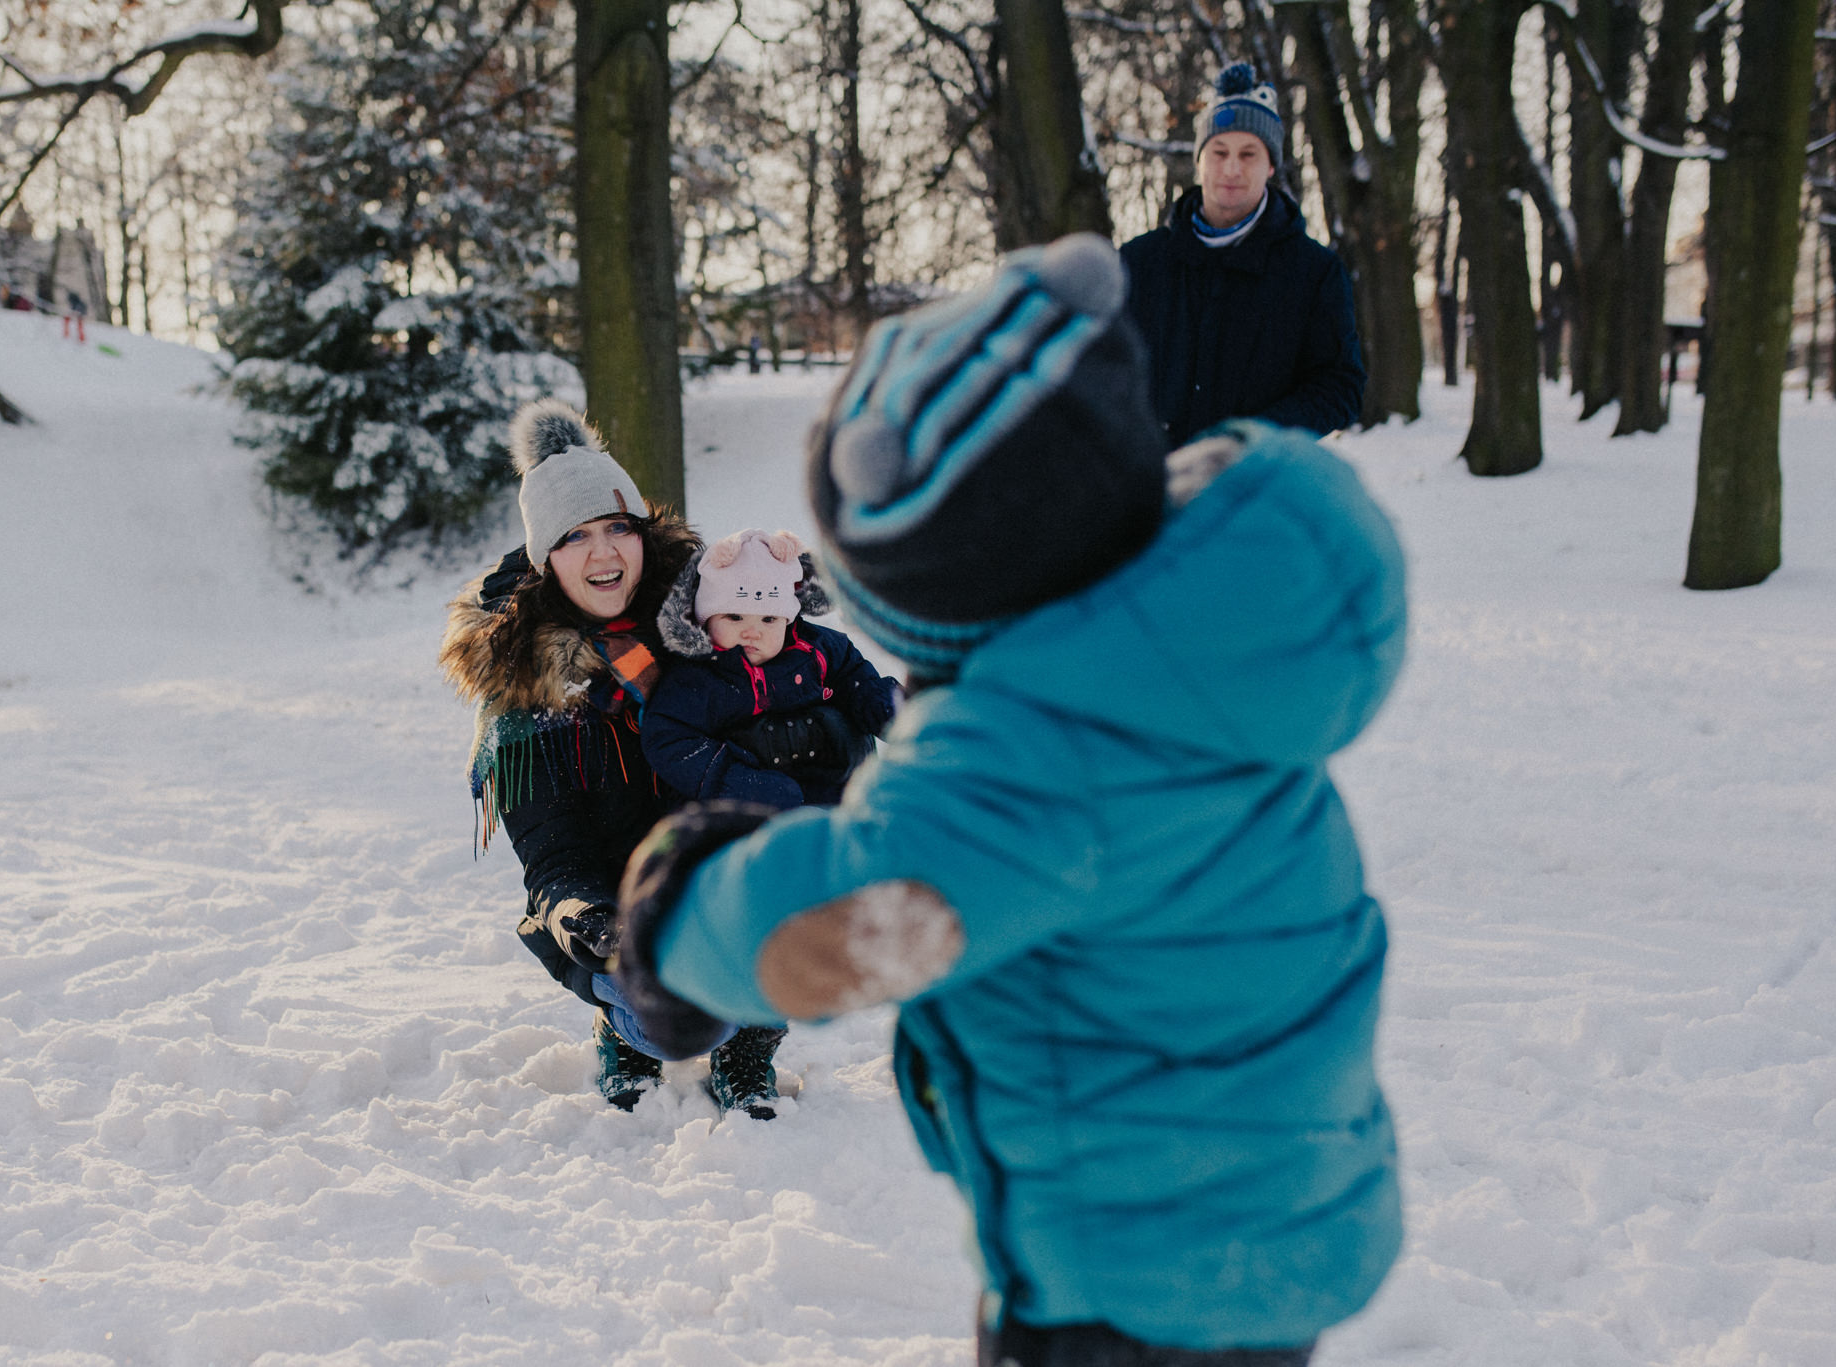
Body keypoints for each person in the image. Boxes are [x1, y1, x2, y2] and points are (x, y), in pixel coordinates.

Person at [609, 234, 1407, 1364]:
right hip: (1273, 1206)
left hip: (1125, 1272)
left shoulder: (1045, 750)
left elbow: (840, 920)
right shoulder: (1194, 638)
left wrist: (681, 914)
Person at [437, 398, 802, 1118]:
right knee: (657, 1011)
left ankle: (749, 1041)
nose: (604, 554)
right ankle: (625, 1030)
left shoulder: (714, 626)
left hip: (718, 876)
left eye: (617, 529)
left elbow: (812, 705)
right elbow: (553, 851)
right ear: (545, 558)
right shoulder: (528, 687)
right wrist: (586, 918)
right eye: (576, 537)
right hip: (620, 905)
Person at [1120, 61, 1365, 443]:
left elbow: (1339, 386)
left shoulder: (1314, 273)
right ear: (1199, 160)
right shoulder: (1139, 263)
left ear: (1270, 165)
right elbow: (1097, 368)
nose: (1231, 168)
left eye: (1249, 154)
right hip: (1152, 488)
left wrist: (1252, 439)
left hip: (1255, 485)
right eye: (1219, 152)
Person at [642, 527, 897, 810]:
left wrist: (887, 708)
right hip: (746, 809)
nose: (753, 632)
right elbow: (669, 738)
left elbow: (855, 676)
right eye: (735, 616)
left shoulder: (815, 649)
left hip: (832, 797)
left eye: (769, 619)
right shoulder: (697, 678)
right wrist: (736, 783)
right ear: (705, 620)